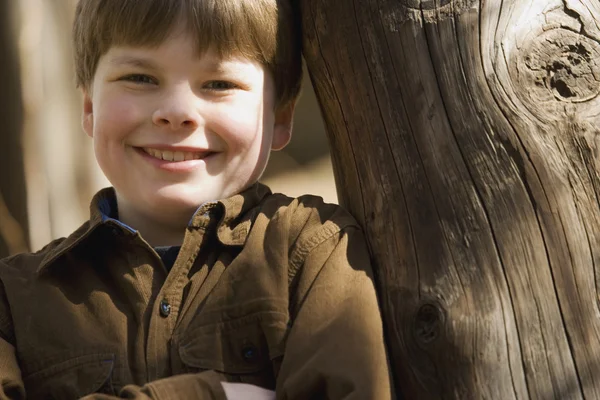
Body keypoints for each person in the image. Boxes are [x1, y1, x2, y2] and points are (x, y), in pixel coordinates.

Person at [0, 0, 393, 399]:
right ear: (89, 106)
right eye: (139, 77)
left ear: (281, 117)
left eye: (219, 84)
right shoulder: (12, 300)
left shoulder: (315, 252)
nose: (176, 113)